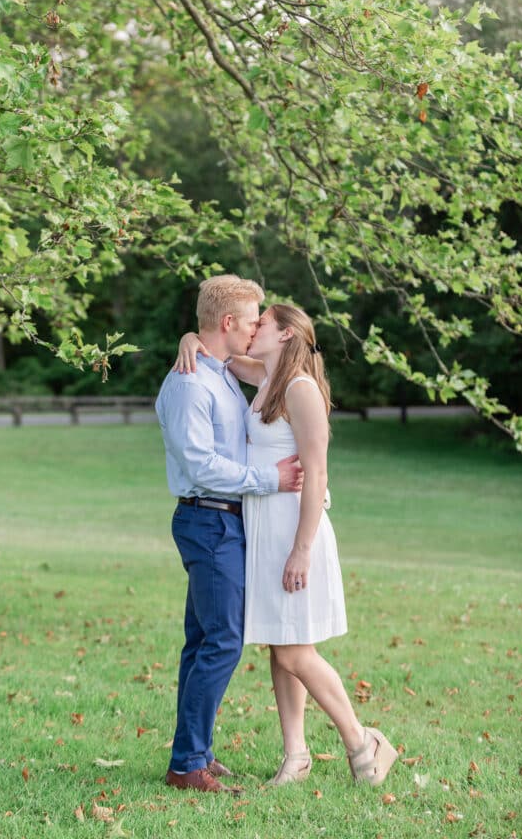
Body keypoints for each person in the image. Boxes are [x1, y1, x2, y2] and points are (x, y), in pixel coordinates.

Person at [175, 303, 398, 787]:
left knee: (296, 652)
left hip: (296, 532)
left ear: (286, 335)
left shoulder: (301, 389)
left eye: (263, 324)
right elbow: (219, 355)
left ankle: (363, 743)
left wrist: (302, 548)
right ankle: (296, 754)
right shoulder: (268, 378)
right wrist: (190, 339)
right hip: (265, 529)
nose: (253, 329)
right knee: (281, 647)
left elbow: (317, 473)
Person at [155, 277, 304, 794]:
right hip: (209, 519)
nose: (256, 326)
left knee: (203, 642)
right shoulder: (191, 384)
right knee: (221, 642)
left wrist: (189, 338)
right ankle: (186, 764)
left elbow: (283, 365)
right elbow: (201, 464)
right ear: (227, 323)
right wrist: (272, 479)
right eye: (251, 319)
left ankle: (194, 754)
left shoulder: (216, 372)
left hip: (223, 520)